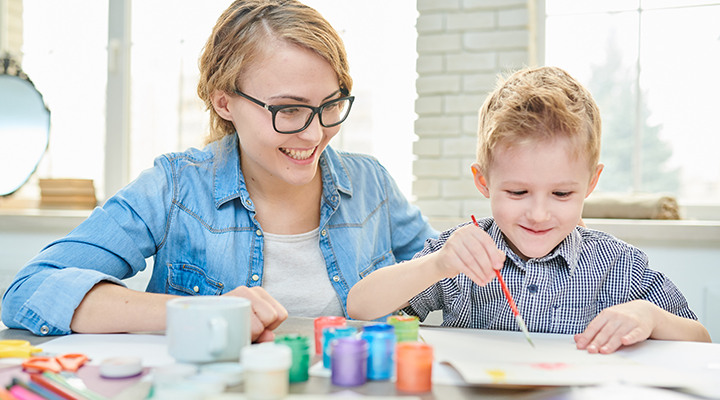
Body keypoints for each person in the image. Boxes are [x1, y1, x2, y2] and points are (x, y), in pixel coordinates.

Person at [1, 0, 437, 342]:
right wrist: (197, 313)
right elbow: (31, 289)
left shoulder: (371, 184)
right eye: (289, 110)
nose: (314, 133)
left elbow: (453, 280)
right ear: (224, 101)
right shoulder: (175, 188)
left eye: (330, 105)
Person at [347, 66, 711, 354]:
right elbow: (360, 307)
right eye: (518, 191)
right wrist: (436, 264)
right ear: (483, 181)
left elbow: (700, 342)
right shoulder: (459, 256)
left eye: (562, 193)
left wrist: (648, 316)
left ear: (591, 183)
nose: (539, 214)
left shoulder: (617, 266)